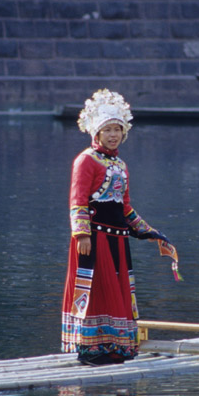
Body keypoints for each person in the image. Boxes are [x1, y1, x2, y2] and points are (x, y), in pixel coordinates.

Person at [62, 89, 180, 366]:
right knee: (97, 290)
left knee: (117, 291)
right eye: (108, 130)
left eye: (118, 129)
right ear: (96, 132)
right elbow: (77, 201)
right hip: (95, 238)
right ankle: (92, 349)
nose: (113, 135)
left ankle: (114, 347)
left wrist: (150, 232)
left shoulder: (120, 164)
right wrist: (82, 234)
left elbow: (124, 207)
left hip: (117, 240)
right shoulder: (85, 160)